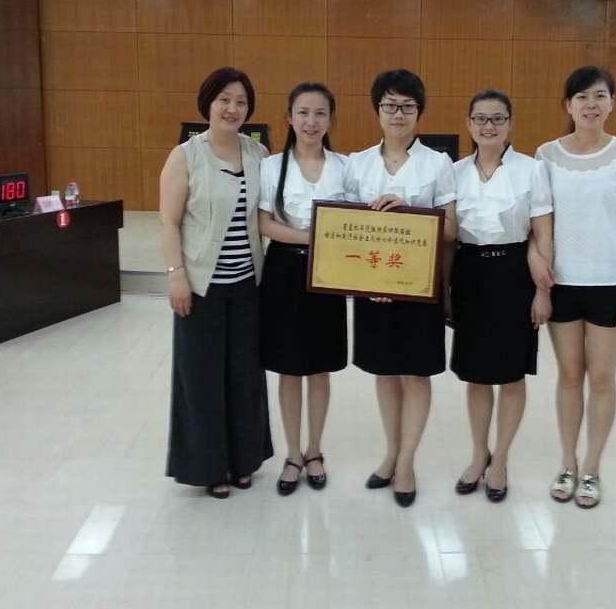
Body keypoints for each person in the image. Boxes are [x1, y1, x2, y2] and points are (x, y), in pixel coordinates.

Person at [535, 65, 616, 509]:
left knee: (601, 379)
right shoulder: (546, 155)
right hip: (562, 282)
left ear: (612, 103)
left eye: (600, 96)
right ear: (567, 105)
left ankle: (592, 468)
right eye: (582, 97)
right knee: (569, 375)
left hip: (611, 282)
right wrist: (541, 279)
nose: (591, 105)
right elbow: (540, 222)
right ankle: (567, 463)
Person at [343, 69, 457, 507]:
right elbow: (344, 227)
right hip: (373, 285)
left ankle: (407, 461)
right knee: (385, 370)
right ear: (377, 110)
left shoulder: (438, 163)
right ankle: (390, 454)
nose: (398, 114)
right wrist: (361, 282)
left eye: (408, 106)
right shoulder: (357, 163)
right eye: (389, 105)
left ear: (419, 113)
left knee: (415, 372)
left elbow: (453, 229)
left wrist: (411, 212)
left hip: (417, 287)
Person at [160, 66, 273, 499]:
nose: (232, 108)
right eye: (224, 99)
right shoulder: (186, 155)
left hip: (248, 285)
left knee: (245, 376)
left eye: (241, 101)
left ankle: (244, 460)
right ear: (207, 103)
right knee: (201, 378)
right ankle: (209, 467)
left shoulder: (259, 154)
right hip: (201, 287)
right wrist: (176, 276)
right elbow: (169, 222)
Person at [450, 89, 552, 503]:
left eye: (497, 118)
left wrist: (543, 292)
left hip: (516, 274)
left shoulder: (532, 170)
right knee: (475, 373)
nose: (488, 126)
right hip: (470, 272)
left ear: (510, 124)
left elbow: (542, 233)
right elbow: (446, 232)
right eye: (480, 118)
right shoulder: (454, 172)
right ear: (469, 124)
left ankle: (501, 460)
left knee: (511, 373)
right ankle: (479, 454)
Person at [258, 82, 348, 496]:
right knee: (290, 366)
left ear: (331, 120)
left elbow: (356, 222)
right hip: (284, 270)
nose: (311, 121)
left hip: (328, 273)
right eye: (303, 112)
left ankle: (315, 451)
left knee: (320, 365)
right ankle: (292, 454)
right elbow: (265, 223)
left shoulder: (344, 166)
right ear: (289, 117)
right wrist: (312, 238)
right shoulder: (271, 165)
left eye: (320, 113)